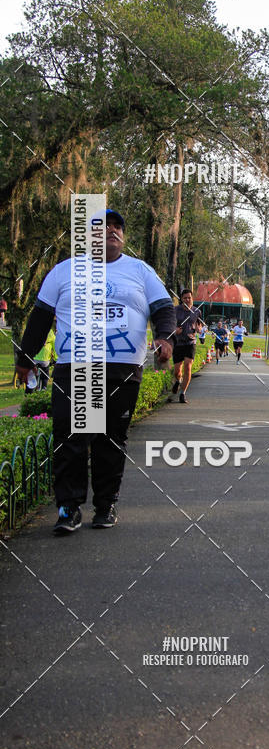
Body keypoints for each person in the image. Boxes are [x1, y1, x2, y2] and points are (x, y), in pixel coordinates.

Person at [16, 209, 175, 533]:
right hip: (76, 366)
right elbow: (40, 319)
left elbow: (164, 310)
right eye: (104, 227)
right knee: (70, 438)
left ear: (123, 236)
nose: (112, 231)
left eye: (118, 226)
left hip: (122, 370)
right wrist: (24, 358)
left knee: (110, 440)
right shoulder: (63, 272)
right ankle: (68, 509)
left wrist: (164, 338)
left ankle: (105, 506)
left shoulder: (140, 271)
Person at [171, 289, 203, 403]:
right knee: (177, 371)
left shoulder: (196, 311)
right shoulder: (175, 310)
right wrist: (175, 330)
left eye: (189, 298)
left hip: (190, 342)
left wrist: (200, 329)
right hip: (178, 343)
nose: (187, 300)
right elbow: (170, 325)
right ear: (181, 299)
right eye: (185, 298)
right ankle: (178, 381)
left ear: (192, 299)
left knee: (188, 367)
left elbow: (199, 325)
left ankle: (183, 393)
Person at [28, 324, 56, 393]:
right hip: (45, 359)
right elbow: (55, 346)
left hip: (34, 358)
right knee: (45, 376)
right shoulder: (50, 332)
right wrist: (55, 359)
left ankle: (29, 392)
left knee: (31, 376)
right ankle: (44, 388)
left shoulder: (35, 330)